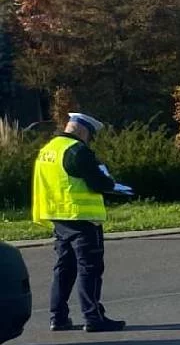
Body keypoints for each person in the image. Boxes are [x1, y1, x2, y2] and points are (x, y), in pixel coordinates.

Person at [32, 112, 126, 332]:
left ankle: (58, 317)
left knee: (64, 268)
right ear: (83, 131)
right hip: (81, 218)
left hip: (58, 216)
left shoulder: (48, 149)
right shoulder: (77, 151)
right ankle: (93, 318)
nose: (89, 140)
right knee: (89, 268)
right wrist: (111, 184)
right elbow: (97, 182)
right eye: (90, 135)